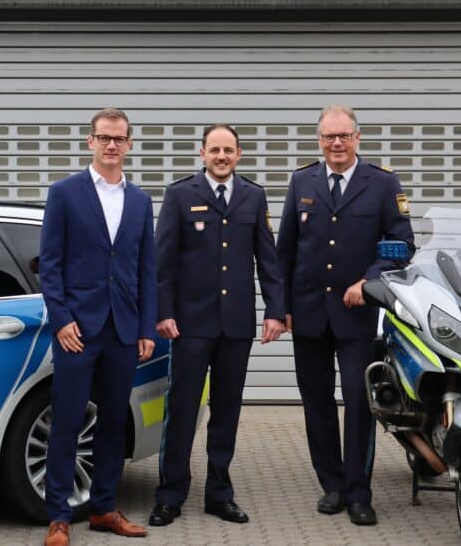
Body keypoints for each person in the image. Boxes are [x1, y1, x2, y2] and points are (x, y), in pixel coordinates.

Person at [277, 104, 415, 527]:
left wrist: (368, 281)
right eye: (328, 137)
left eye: (343, 136)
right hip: (309, 314)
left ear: (358, 137)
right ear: (319, 141)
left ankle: (359, 492)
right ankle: (333, 486)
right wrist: (281, 309)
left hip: (359, 316)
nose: (336, 143)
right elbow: (285, 250)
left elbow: (402, 245)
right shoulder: (303, 180)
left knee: (358, 401)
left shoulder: (383, 183)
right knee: (316, 402)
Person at [148, 124, 286, 528]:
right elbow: (163, 264)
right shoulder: (179, 195)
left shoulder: (253, 196)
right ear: (202, 153)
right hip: (189, 326)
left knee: (226, 413)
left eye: (228, 150)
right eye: (215, 150)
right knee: (183, 411)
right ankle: (170, 495)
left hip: (236, 328)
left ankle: (219, 494)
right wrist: (163, 312)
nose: (222, 156)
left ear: (239, 154)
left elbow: (269, 260)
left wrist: (276, 311)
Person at [39, 107, 157, 546]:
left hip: (124, 331)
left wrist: (147, 328)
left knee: (112, 424)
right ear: (90, 142)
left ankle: (105, 509)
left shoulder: (141, 202)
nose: (111, 145)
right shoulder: (65, 194)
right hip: (77, 331)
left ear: (128, 145)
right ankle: (58, 517)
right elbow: (49, 267)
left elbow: (147, 270)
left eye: (119, 138)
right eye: (104, 137)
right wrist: (62, 319)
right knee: (67, 423)